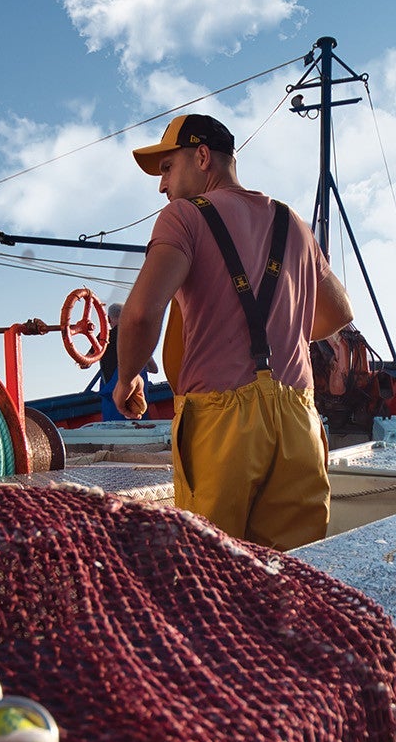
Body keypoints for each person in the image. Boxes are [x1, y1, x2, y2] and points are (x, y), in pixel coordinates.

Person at [114, 113, 353, 550]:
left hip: (221, 422)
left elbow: (139, 316)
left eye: (167, 167)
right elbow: (338, 313)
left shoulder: (182, 218)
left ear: (202, 157)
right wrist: (283, 325)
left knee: (214, 574)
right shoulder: (294, 224)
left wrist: (127, 376)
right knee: (291, 572)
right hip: (298, 419)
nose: (161, 186)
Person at [97, 302, 154, 420]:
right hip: (138, 403)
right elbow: (154, 369)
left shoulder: (102, 338)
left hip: (113, 403)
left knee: (115, 432)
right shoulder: (137, 336)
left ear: (108, 319)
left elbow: (85, 363)